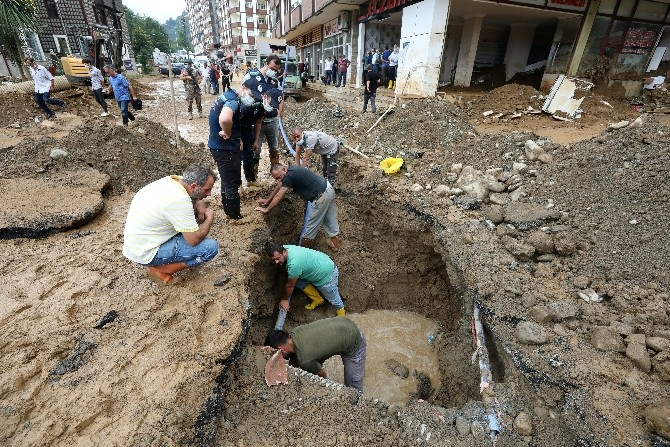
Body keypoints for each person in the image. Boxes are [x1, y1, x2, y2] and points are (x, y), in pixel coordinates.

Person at [122, 163, 219, 284]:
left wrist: (199, 205)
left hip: (139, 243)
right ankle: (162, 270)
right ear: (194, 186)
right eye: (207, 189)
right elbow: (193, 240)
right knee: (209, 248)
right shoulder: (179, 201)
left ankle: (163, 261)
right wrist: (209, 218)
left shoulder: (176, 181)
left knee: (193, 212)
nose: (209, 194)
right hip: (146, 252)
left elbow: (196, 200)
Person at [208, 78, 272, 221]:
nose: (252, 98)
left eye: (255, 96)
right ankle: (235, 217)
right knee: (232, 183)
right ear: (243, 88)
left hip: (219, 147)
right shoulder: (232, 101)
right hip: (225, 148)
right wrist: (228, 133)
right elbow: (225, 119)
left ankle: (229, 213)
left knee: (226, 181)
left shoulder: (227, 95)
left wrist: (236, 138)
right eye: (251, 94)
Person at [264, 317, 365, 392]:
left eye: (276, 354)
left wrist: (330, 388)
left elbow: (322, 375)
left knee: (353, 384)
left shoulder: (305, 360)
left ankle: (359, 404)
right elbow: (295, 357)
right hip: (344, 323)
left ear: (281, 349)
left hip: (354, 340)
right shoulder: (295, 332)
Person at [255, 164, 340, 250]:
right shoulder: (291, 170)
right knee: (330, 219)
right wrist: (268, 200)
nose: (278, 180)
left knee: (309, 230)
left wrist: (267, 209)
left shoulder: (290, 175)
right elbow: (280, 185)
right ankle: (335, 245)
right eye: (276, 178)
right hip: (328, 189)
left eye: (279, 177)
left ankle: (301, 254)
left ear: (284, 169)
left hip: (321, 198)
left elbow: (278, 197)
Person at [265, 243, 346, 315]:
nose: (276, 262)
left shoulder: (294, 264)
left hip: (327, 275)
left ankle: (342, 316)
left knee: (334, 299)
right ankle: (317, 299)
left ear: (284, 252)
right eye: (274, 260)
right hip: (320, 262)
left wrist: (285, 300)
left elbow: (290, 286)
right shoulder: (285, 247)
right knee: (296, 280)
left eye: (278, 258)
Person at [243, 55, 282, 184]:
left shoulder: (274, 80)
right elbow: (244, 95)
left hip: (272, 120)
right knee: (255, 149)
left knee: (274, 148)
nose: (274, 72)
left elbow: (280, 97)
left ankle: (277, 175)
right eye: (272, 68)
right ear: (265, 63)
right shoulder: (252, 76)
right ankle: (252, 178)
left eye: (277, 70)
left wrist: (278, 114)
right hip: (256, 121)